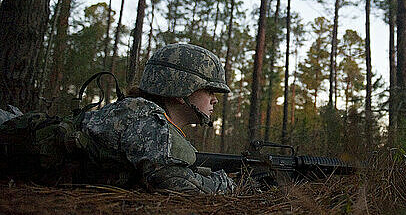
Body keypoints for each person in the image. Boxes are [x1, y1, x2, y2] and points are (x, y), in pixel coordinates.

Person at [1, 43, 235, 194]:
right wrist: (227, 184)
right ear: (182, 89)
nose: (214, 100)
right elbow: (176, 186)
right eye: (209, 91)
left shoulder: (141, 113)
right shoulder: (148, 121)